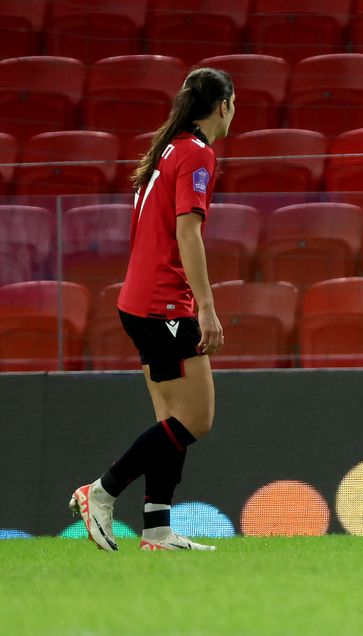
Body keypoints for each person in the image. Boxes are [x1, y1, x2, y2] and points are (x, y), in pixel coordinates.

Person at [68, 68, 235, 551]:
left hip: (138, 302)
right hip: (164, 304)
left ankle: (157, 529)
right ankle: (100, 492)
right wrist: (206, 307)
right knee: (195, 420)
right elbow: (188, 233)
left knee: (170, 420)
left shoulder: (168, 149)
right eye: (233, 104)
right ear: (222, 105)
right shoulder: (198, 155)